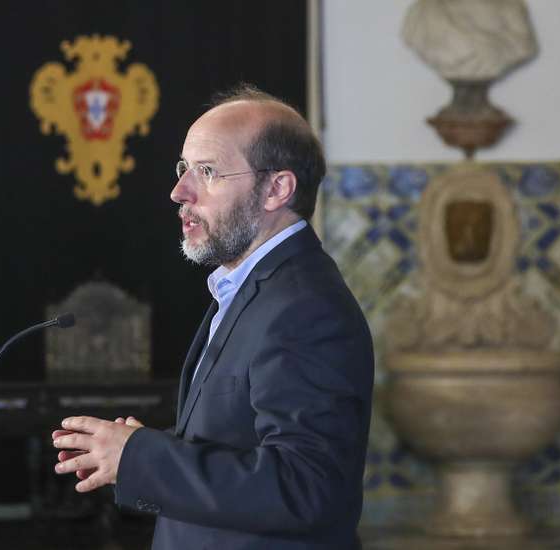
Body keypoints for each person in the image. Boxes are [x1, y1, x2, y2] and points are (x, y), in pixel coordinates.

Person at [51, 84, 374, 549]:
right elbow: (242, 446)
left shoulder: (305, 308)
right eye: (184, 169)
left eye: (207, 171)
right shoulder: (254, 288)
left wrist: (141, 458)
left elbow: (308, 488)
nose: (179, 192)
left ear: (277, 188)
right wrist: (150, 451)